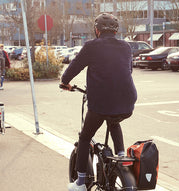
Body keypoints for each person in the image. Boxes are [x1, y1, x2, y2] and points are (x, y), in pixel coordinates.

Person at [60, 13, 137, 191]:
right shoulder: (125, 46)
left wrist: (65, 82)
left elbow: (73, 68)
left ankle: (79, 183)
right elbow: (128, 70)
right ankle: (120, 158)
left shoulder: (91, 46)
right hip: (127, 102)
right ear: (116, 31)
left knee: (85, 137)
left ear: (97, 30)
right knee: (114, 122)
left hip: (100, 103)